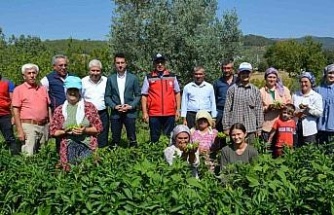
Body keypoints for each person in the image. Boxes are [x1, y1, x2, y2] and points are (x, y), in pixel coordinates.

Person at [50, 76, 103, 170]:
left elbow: (98, 128)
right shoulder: (60, 110)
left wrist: (85, 130)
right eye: (70, 90)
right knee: (71, 171)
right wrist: (65, 132)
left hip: (87, 145)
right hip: (68, 145)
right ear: (66, 91)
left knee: (87, 168)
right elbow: (53, 131)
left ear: (79, 91)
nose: (73, 93)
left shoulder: (89, 108)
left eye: (75, 90)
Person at [12, 63, 51, 156]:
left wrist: (51, 123)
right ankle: (27, 170)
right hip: (28, 125)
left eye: (34, 73)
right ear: (24, 76)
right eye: (29, 73)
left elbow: (48, 107)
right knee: (28, 153)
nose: (32, 75)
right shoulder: (19, 90)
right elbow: (15, 111)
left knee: (43, 153)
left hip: (44, 125)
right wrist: (19, 130)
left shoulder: (43, 89)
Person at [141, 53, 181, 143]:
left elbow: (177, 93)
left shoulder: (172, 76)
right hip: (154, 113)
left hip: (170, 113)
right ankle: (155, 155)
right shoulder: (149, 77)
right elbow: (144, 95)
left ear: (165, 63)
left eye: (161, 62)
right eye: (157, 62)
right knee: (154, 138)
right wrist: (144, 112)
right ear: (154, 64)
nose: (160, 64)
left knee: (169, 137)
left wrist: (178, 110)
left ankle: (169, 156)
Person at [105, 53, 141, 148]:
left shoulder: (133, 78)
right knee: (115, 137)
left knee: (132, 137)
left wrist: (131, 106)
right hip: (116, 113)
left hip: (130, 112)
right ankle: (113, 158)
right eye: (118, 63)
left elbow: (138, 95)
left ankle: (134, 156)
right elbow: (107, 96)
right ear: (115, 64)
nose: (120, 65)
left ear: (126, 64)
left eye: (122, 62)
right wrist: (114, 106)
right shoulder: (111, 79)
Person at [222, 62, 264, 144]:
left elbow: (259, 110)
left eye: (247, 72)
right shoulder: (232, 90)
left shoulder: (255, 90)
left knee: (250, 152)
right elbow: (227, 109)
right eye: (243, 72)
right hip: (236, 129)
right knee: (236, 152)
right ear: (239, 73)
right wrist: (226, 127)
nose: (245, 75)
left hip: (251, 128)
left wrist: (259, 128)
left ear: (250, 74)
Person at [40, 54, 74, 153]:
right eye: (60, 65)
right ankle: (60, 159)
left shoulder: (73, 77)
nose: (63, 67)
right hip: (57, 114)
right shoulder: (47, 80)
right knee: (60, 137)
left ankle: (73, 158)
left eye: (65, 65)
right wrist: (49, 117)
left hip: (73, 112)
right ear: (54, 66)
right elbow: (44, 100)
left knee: (73, 135)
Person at [82, 59, 109, 148]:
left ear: (101, 71)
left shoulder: (106, 81)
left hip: (102, 113)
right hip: (87, 114)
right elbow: (80, 98)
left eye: (98, 71)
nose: (95, 73)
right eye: (93, 70)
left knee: (102, 136)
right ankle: (87, 156)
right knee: (87, 136)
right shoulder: (83, 81)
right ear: (89, 71)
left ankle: (102, 155)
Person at [260, 67, 292, 142]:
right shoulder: (261, 91)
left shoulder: (284, 90)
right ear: (265, 78)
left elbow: (290, 105)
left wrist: (285, 107)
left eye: (274, 77)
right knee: (267, 148)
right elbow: (258, 109)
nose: (272, 79)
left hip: (282, 125)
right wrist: (268, 108)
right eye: (269, 77)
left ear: (277, 78)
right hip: (267, 126)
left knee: (281, 148)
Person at [292, 71, 323, 146]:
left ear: (311, 82)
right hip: (296, 127)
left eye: (306, 82)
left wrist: (308, 110)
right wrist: (294, 113)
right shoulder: (295, 95)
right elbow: (291, 109)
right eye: (301, 82)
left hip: (309, 128)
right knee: (296, 149)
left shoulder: (316, 96)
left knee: (308, 150)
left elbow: (319, 112)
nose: (303, 84)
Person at [213, 58, 237, 132]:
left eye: (228, 68)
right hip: (221, 112)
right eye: (224, 68)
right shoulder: (217, 83)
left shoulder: (238, 81)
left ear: (232, 69)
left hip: (235, 111)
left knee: (235, 132)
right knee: (221, 135)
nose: (226, 70)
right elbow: (214, 99)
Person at [315, 64, 334, 146]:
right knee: (321, 145)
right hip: (321, 124)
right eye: (330, 73)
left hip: (333, 122)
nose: (332, 75)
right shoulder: (318, 89)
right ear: (325, 74)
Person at [0, 73, 17, 154]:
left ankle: (15, 159)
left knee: (10, 138)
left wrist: (14, 116)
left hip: (5, 115)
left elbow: (13, 101)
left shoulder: (8, 83)